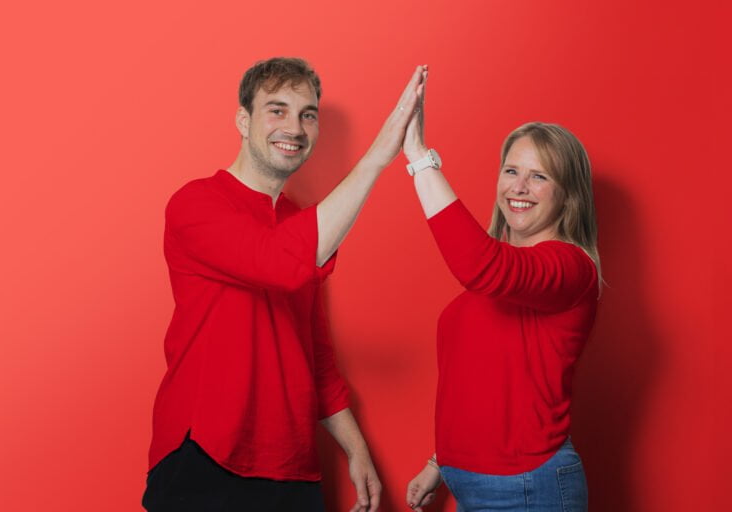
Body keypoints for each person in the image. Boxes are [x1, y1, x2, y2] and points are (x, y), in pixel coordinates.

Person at [142, 58, 425, 512]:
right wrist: (379, 154)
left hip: (293, 469)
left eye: (307, 114)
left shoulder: (302, 223)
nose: (294, 127)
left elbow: (313, 354)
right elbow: (277, 263)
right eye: (277, 110)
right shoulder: (195, 204)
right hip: (205, 456)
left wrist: (356, 450)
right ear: (243, 119)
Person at [404, 68, 600, 511]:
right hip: (471, 483)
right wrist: (439, 463)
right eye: (512, 170)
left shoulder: (571, 268)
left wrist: (418, 156)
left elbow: (479, 266)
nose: (519, 187)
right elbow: (490, 381)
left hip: (528, 487)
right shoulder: (501, 274)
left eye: (539, 177)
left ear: (568, 196)